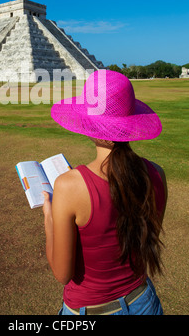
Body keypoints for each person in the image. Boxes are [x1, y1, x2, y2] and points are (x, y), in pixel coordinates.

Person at [42, 69, 167, 315]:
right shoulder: (157, 174)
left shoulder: (69, 186)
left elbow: (62, 274)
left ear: (89, 123)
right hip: (143, 301)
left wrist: (49, 218)